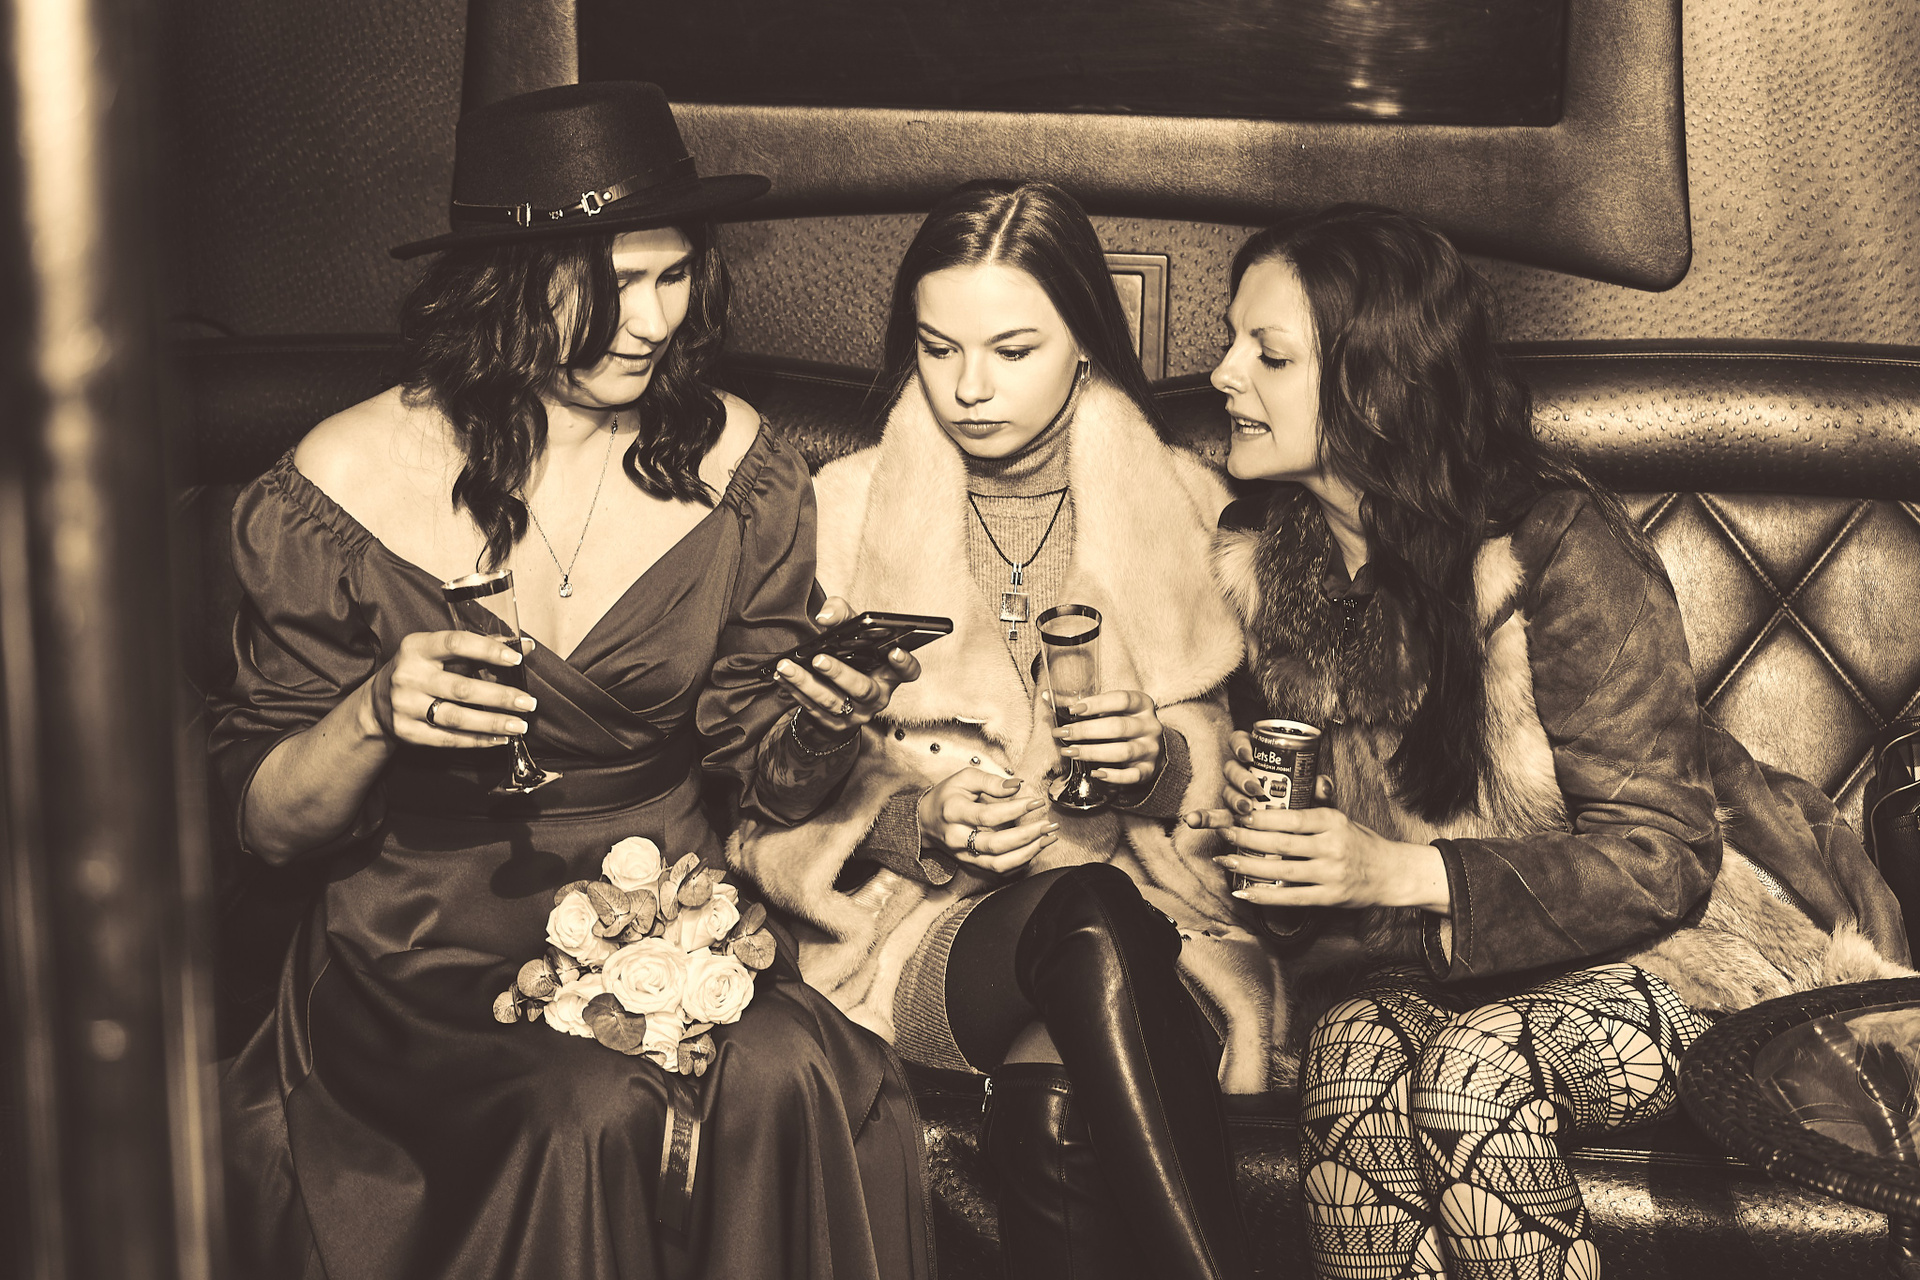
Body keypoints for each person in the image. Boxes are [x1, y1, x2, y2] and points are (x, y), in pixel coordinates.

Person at [211, 82, 931, 1280]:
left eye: (673, 275)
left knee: (786, 1070)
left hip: (669, 918)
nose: (649, 322)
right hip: (423, 940)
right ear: (499, 286)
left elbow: (768, 780)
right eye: (606, 285)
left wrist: (820, 722)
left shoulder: (740, 467)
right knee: (584, 1106)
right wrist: (372, 713)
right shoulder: (337, 482)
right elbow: (268, 826)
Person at [1189, 203, 1912, 1280]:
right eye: (1233, 341)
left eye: (1269, 353)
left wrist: (1401, 869)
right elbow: (1327, 898)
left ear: (1377, 386)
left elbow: (1664, 857)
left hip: (1685, 952)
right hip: (1440, 958)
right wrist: (1283, 845)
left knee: (1472, 1077)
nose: (1222, 374)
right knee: (1347, 1054)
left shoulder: (1555, 545)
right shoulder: (1276, 566)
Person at [734, 179, 1275, 1280]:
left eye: (1013, 350)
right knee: (1086, 911)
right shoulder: (838, 511)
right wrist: (912, 821)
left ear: (1087, 344)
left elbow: (1248, 778)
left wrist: (1156, 766)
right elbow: (754, 789)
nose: (970, 388)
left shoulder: (1190, 505)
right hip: (929, 938)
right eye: (937, 349)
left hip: (1157, 929)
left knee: (1063, 1068)